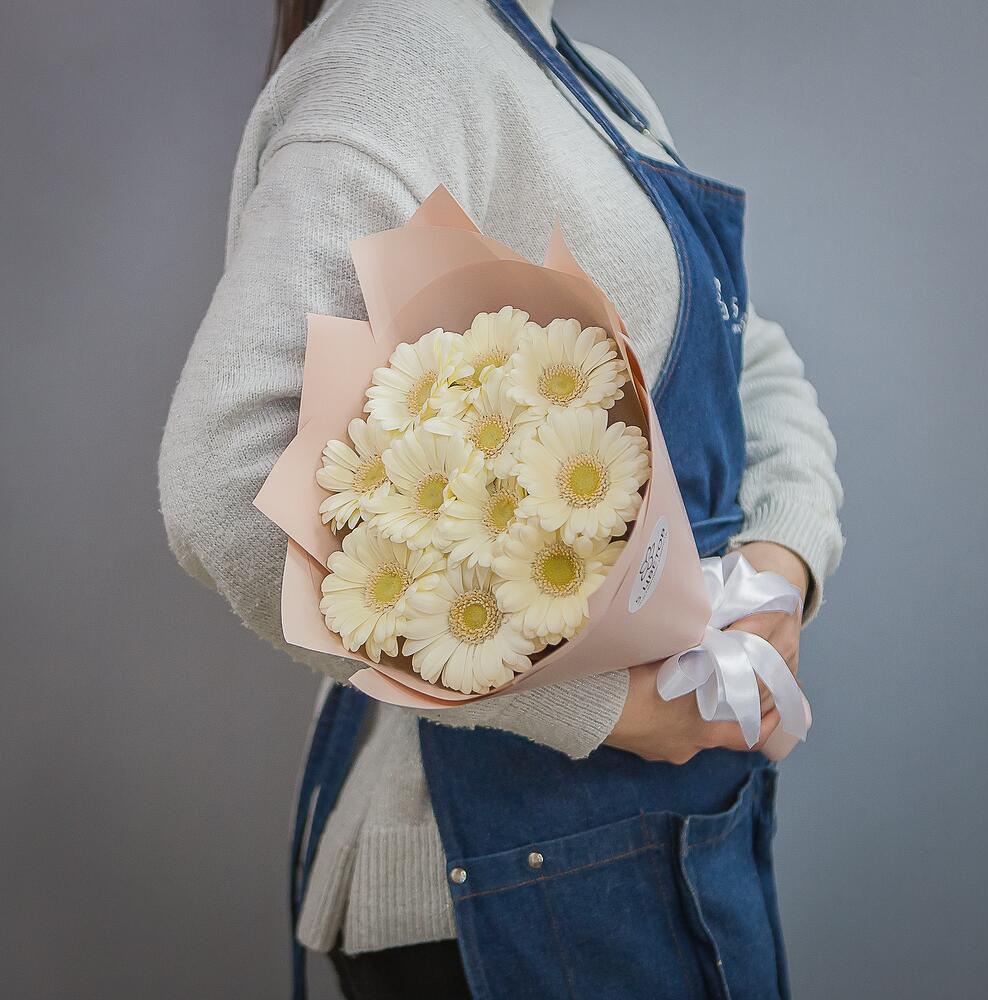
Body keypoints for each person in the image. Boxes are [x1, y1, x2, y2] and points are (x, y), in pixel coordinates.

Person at [158, 0, 844, 997]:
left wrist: (780, 563)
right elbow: (230, 476)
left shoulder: (591, 82)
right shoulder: (397, 55)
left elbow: (748, 355)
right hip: (493, 888)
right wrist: (604, 704)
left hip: (679, 838)